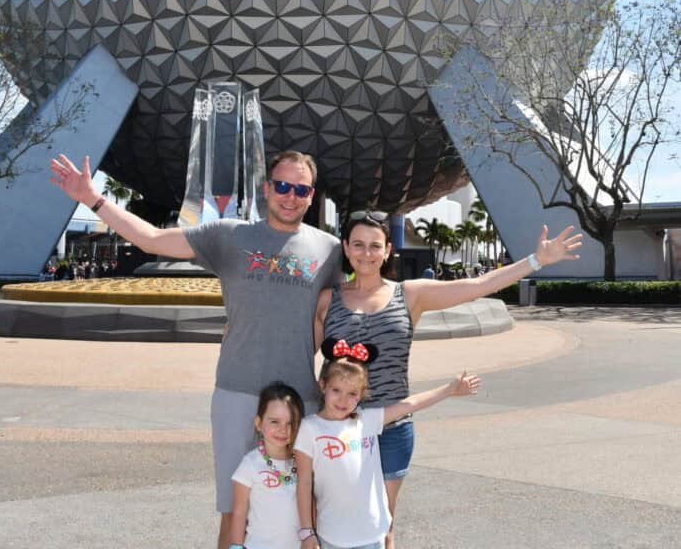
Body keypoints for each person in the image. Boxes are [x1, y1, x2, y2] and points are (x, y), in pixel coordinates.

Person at [49, 149, 341, 549]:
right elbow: (150, 239)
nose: (291, 196)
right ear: (267, 188)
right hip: (238, 392)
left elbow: (352, 309)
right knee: (234, 508)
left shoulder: (329, 249)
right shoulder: (229, 235)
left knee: (302, 506)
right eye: (283, 186)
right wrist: (93, 199)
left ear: (311, 195)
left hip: (299, 398)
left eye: (301, 189)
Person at [314, 211, 582, 549]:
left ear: (387, 251)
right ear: (346, 248)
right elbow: (299, 356)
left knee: (382, 525)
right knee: (332, 520)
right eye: (358, 245)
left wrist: (536, 260)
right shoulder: (328, 300)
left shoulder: (410, 294)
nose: (366, 253)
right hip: (337, 429)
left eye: (374, 246)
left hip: (391, 428)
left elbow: (478, 286)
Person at [295, 339, 480, 549]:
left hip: (374, 532)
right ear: (323, 386)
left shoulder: (367, 421)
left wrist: (449, 390)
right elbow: (304, 483)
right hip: (333, 535)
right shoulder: (309, 429)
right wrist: (306, 531)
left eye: (352, 393)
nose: (343, 400)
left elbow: (411, 404)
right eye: (336, 390)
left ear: (362, 394)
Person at [229, 382, 304, 549]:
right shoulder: (250, 464)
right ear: (258, 423)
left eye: (290, 423)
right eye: (274, 422)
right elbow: (239, 512)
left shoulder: (302, 463)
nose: (283, 430)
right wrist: (236, 546)